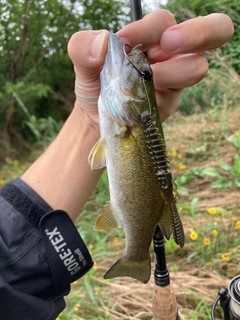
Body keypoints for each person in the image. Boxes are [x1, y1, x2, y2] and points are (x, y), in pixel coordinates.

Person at [0, 9, 234, 320]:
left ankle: (135, 256)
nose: (137, 63)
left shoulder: (124, 121)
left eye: (143, 75)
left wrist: (88, 122)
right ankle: (135, 256)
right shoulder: (127, 121)